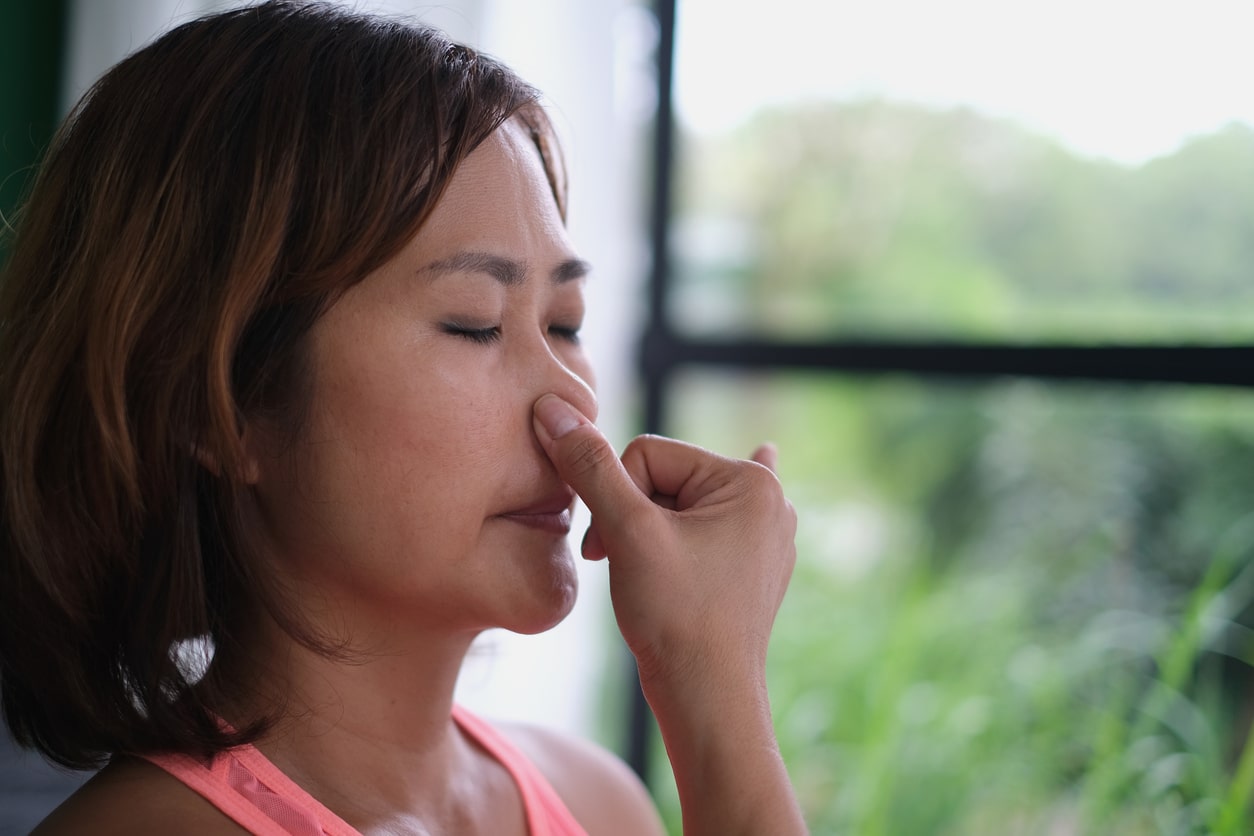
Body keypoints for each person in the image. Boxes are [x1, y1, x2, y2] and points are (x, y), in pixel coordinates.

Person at [0, 2, 806, 833]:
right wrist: (715, 708)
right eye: (474, 322)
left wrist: (719, 687)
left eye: (566, 322)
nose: (575, 403)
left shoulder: (596, 802)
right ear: (223, 407)